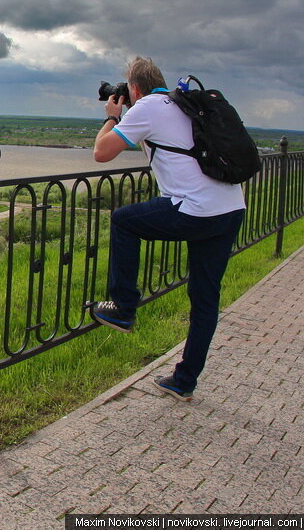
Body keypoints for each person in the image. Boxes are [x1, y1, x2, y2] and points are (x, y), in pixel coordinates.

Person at [91, 56, 245, 402]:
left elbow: (102, 153)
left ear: (133, 88)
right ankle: (183, 381)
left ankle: (123, 307)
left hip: (195, 209)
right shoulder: (183, 103)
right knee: (206, 300)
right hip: (230, 208)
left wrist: (112, 116)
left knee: (123, 221)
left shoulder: (147, 106)